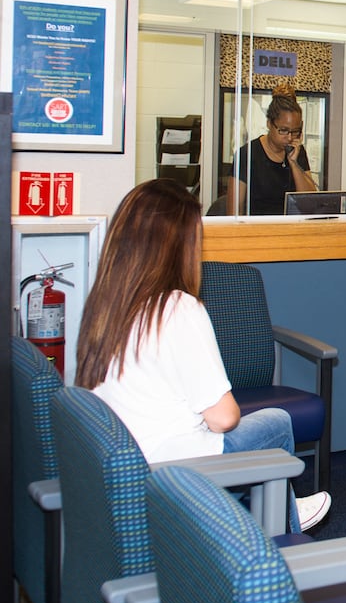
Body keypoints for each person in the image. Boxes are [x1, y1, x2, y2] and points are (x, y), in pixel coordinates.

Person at [76, 178, 331, 530]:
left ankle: (259, 515)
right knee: (276, 424)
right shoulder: (177, 308)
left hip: (123, 465)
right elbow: (223, 418)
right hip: (175, 469)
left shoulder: (104, 304)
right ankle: (283, 527)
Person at [227, 82, 318, 215]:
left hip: (291, 225)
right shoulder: (247, 154)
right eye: (283, 130)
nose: (289, 137)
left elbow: (310, 206)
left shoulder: (297, 151)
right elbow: (233, 212)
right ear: (269, 123)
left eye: (295, 131)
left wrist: (294, 163)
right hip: (258, 225)